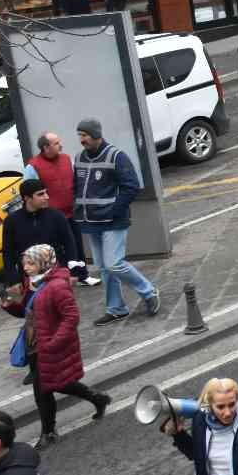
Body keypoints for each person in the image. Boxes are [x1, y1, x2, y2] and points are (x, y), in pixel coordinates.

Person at [0, 243, 110, 445]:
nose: (26, 267)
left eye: (31, 263)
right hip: (35, 343)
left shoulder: (57, 286)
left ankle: (48, 432)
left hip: (49, 344)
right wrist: (9, 305)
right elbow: (28, 311)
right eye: (25, 263)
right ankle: (97, 398)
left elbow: (71, 317)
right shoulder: (32, 282)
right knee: (55, 383)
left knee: (43, 389)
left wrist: (54, 342)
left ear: (44, 263)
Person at [72, 118, 159, 326]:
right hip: (91, 221)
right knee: (104, 267)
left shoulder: (116, 156)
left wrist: (113, 210)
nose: (81, 140)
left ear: (96, 135)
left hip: (112, 221)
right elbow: (77, 186)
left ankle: (149, 292)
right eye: (80, 135)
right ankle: (116, 308)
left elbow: (131, 186)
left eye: (84, 135)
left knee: (114, 264)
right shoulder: (79, 158)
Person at [24, 132, 91, 284]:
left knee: (77, 244)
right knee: (57, 249)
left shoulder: (67, 159)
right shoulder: (32, 166)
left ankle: (82, 276)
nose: (60, 145)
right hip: (50, 216)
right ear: (45, 147)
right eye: (56, 143)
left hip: (71, 211)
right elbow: (29, 190)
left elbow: (76, 181)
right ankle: (60, 279)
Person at [1, 178, 78, 289]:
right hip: (29, 278)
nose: (46, 197)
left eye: (46, 193)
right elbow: (8, 252)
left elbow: (69, 244)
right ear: (27, 198)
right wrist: (13, 280)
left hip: (57, 275)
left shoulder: (56, 216)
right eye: (40, 194)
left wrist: (73, 271)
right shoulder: (12, 221)